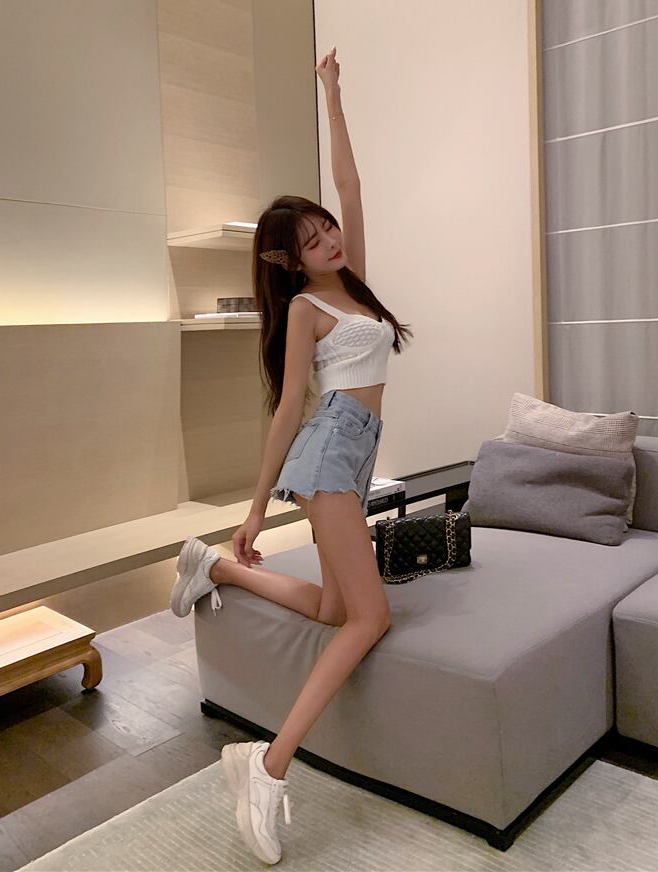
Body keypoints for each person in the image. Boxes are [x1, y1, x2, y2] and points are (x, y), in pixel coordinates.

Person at [169, 46, 413, 864]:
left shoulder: (357, 286)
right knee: (373, 617)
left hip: (354, 453)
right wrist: (253, 511)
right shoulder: (308, 309)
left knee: (337, 611)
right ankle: (268, 768)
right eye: (311, 239)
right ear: (293, 260)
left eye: (327, 227)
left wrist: (332, 94)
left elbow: (352, 186)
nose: (330, 238)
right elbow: (288, 411)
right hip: (329, 451)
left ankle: (216, 569)